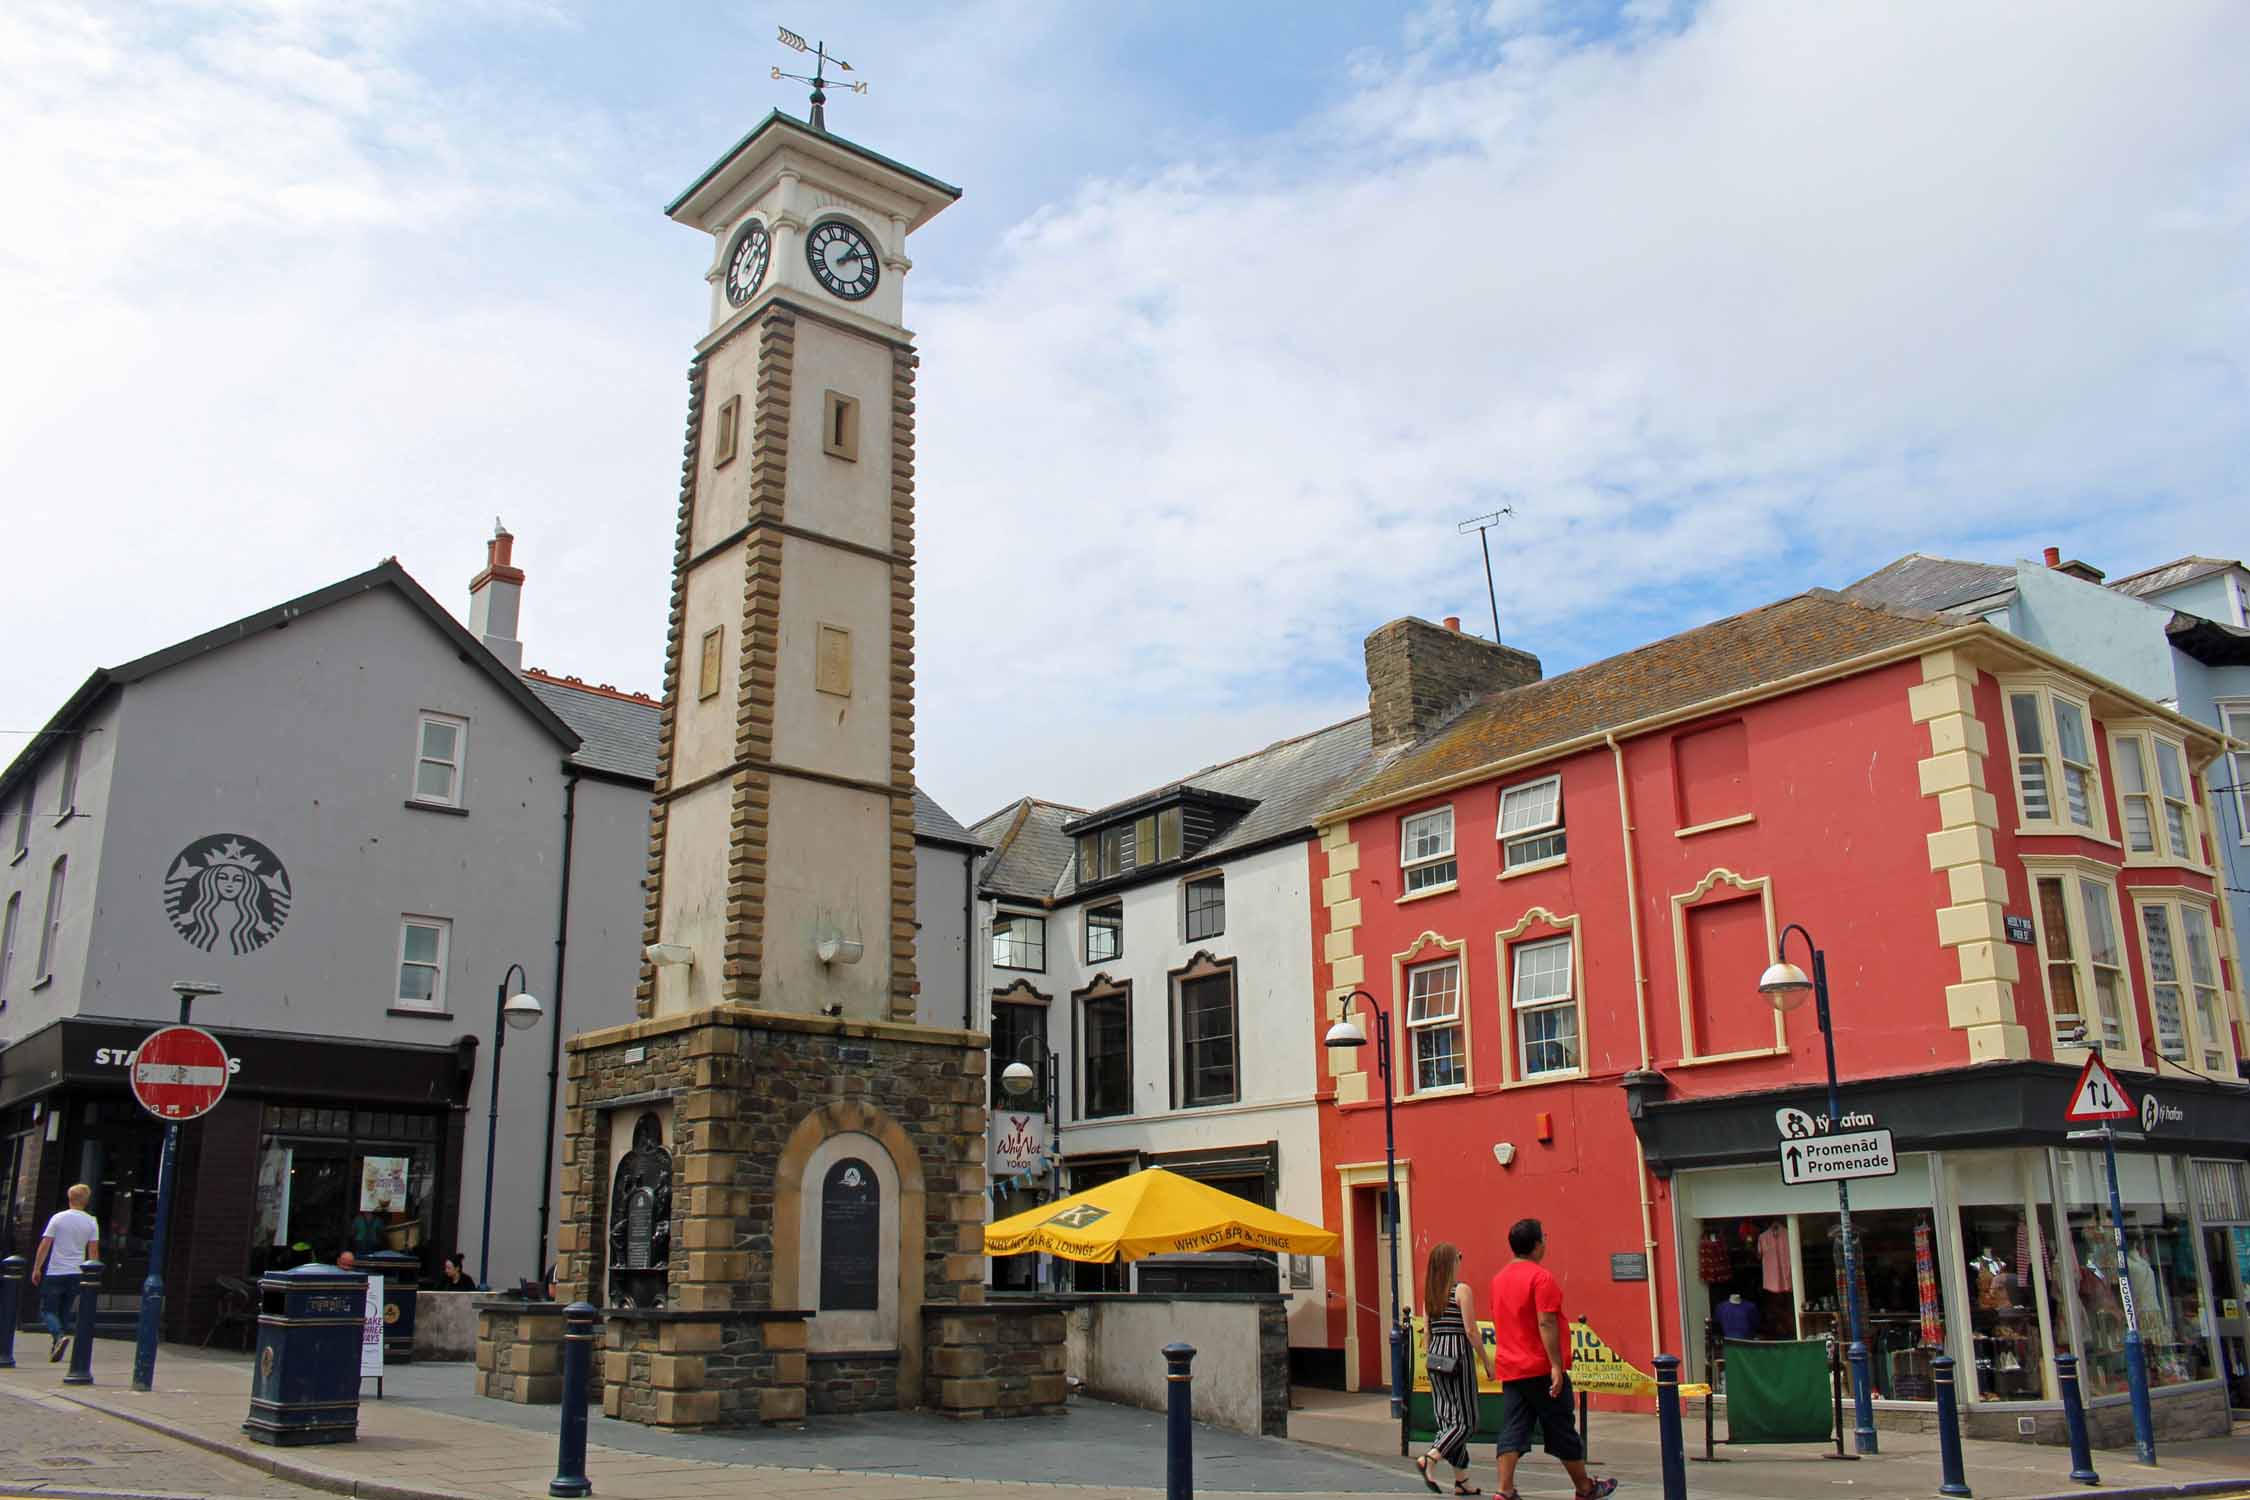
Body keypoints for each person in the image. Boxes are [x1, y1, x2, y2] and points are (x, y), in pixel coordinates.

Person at [1489, 1218, 1615, 1500]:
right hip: (1539, 1366)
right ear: (1536, 1245)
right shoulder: (1540, 1277)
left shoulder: (1498, 1280)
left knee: (1513, 1428)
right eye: (1543, 1238)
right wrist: (1556, 1365)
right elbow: (1546, 1322)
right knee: (1560, 1427)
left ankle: (1504, 1490)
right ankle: (1585, 1487)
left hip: (1511, 1367)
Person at [1415, 1241, 1494, 1495]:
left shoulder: (1430, 1295)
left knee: (1448, 1418)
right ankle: (1431, 1457)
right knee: (1467, 1420)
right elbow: (1471, 1330)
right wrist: (1486, 1360)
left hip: (1436, 1355)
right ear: (1451, 1263)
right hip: (1457, 1355)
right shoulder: (1462, 1290)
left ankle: (1462, 1480)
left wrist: (1431, 1357)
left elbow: (1427, 1331)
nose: (1461, 1261)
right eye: (1458, 1257)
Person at [31, 1183, 101, 1363]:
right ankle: (57, 1344)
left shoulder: (58, 1218)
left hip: (56, 1271)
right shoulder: (91, 1221)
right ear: (86, 1201)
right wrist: (92, 1274)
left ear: (69, 1198)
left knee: (47, 1310)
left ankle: (58, 1336)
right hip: (77, 1272)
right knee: (64, 1310)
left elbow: (45, 1244)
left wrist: (37, 1267)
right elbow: (93, 1251)